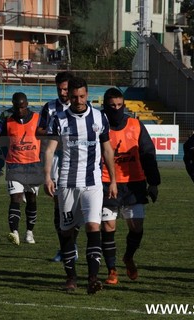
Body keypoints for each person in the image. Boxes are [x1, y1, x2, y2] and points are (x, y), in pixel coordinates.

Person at [44, 77, 117, 294]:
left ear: (87, 94)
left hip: (92, 183)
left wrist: (112, 179)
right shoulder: (59, 118)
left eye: (82, 96)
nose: (78, 100)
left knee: (93, 227)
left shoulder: (98, 116)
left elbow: (107, 150)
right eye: (74, 96)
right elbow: (49, 150)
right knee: (67, 231)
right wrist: (48, 177)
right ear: (69, 96)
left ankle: (93, 277)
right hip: (67, 182)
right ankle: (71, 277)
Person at [101, 88, 160, 285]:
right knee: (108, 226)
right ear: (105, 107)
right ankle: (111, 269)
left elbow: (147, 153)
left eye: (119, 105)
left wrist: (154, 183)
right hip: (106, 183)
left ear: (124, 105)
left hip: (134, 184)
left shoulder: (135, 125)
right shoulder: (98, 125)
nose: (116, 109)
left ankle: (128, 257)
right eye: (112, 106)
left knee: (137, 227)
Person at [36, 71, 79, 262]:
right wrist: (55, 133)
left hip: (77, 160)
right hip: (55, 159)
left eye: (65, 89)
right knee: (58, 203)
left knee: (75, 203)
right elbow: (38, 132)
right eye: (59, 89)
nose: (63, 93)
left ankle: (72, 245)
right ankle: (65, 247)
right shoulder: (49, 107)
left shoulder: (80, 105)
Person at [0, 92, 43, 245]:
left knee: (31, 199)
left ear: (27, 104)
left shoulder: (37, 118)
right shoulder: (8, 121)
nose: (20, 110)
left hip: (34, 164)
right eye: (17, 107)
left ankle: (29, 232)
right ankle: (14, 232)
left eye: (22, 107)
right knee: (15, 198)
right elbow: (2, 143)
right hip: (14, 164)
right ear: (13, 105)